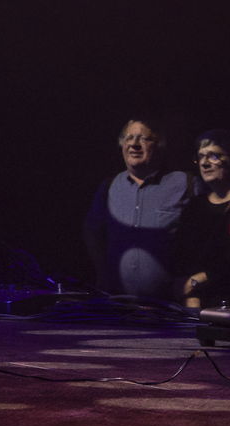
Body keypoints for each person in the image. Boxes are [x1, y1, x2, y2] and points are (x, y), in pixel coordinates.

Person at [81, 118, 190, 299]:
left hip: (169, 306)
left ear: (159, 145)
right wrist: (101, 271)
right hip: (117, 304)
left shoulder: (185, 183)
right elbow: (92, 232)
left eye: (143, 138)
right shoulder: (109, 187)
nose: (133, 144)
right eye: (128, 138)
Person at [176, 128, 230, 309]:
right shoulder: (194, 207)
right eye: (201, 157)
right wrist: (191, 295)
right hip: (197, 307)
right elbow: (182, 257)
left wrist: (201, 279)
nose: (204, 163)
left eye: (214, 156)